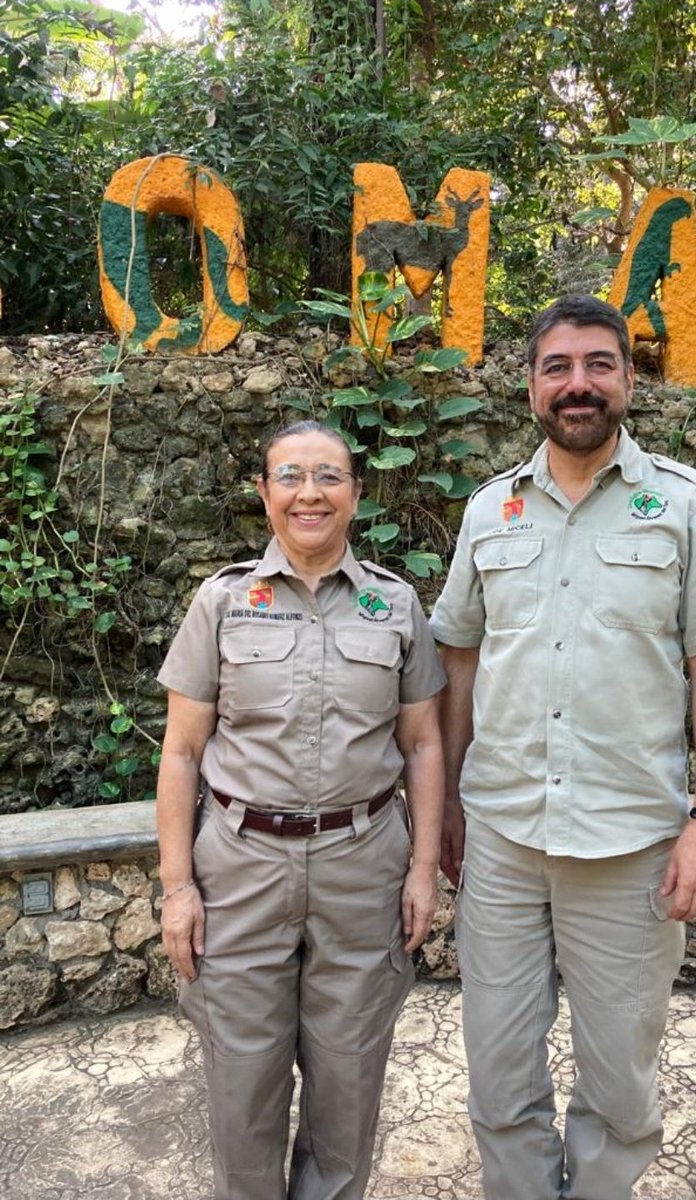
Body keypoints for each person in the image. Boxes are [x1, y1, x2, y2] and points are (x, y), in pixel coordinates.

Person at [430, 295, 696, 1200]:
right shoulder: (488, 510)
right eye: (557, 367)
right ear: (531, 383)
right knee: (499, 1072)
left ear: (627, 377)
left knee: (620, 1078)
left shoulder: (685, 505)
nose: (578, 384)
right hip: (501, 837)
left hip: (631, 844)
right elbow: (457, 664)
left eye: (598, 365)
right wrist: (448, 814)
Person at [155, 420, 445, 1200]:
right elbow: (181, 752)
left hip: (364, 863)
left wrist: (423, 869)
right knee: (242, 1081)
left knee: (348, 1079)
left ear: (355, 493)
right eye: (289, 477)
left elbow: (422, 744)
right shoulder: (222, 602)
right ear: (264, 493)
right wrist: (177, 887)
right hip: (240, 869)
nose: (308, 494)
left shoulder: (396, 604)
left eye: (328, 477)